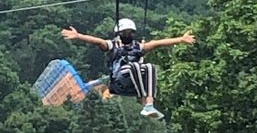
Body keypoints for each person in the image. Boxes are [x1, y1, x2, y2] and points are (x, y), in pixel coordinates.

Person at [61, 18, 195, 119]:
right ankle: (144, 100)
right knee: (135, 66)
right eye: (124, 33)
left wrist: (181, 40)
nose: (127, 35)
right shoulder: (113, 45)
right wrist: (79, 36)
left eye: (129, 32)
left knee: (149, 67)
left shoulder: (137, 47)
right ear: (118, 33)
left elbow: (157, 43)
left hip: (133, 86)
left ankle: (148, 105)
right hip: (118, 82)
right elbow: (98, 41)